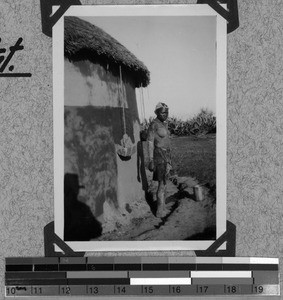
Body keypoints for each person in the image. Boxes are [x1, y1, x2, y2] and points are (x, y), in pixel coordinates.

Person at [147, 102, 172, 218]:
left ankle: (163, 207)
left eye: (166, 112)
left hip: (166, 156)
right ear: (156, 113)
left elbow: (167, 142)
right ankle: (159, 211)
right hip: (158, 155)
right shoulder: (153, 125)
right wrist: (150, 160)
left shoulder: (164, 124)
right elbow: (150, 143)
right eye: (162, 112)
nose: (165, 114)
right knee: (162, 184)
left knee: (165, 183)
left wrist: (170, 160)